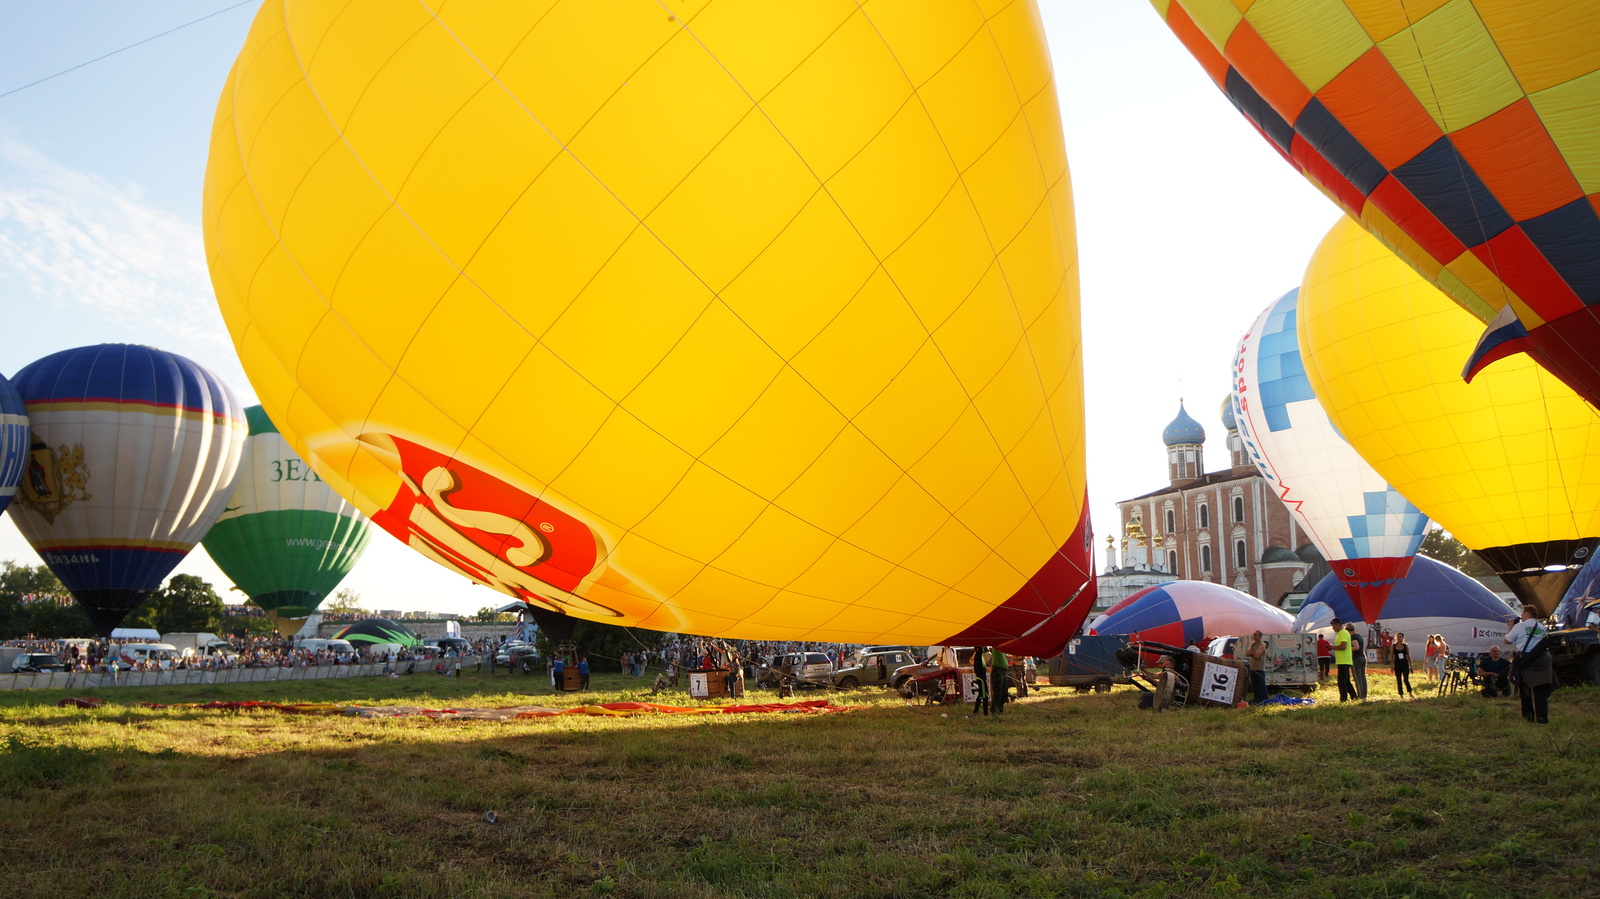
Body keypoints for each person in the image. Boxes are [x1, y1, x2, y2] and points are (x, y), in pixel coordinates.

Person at [1505, 606, 1553, 724]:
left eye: (1522, 613)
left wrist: (1510, 627)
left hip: (1526, 660)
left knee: (1525, 690)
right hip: (1542, 659)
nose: (1521, 616)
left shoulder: (1519, 626)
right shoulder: (1542, 627)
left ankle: (1528, 717)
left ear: (1527, 613)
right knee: (1540, 692)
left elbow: (1507, 640)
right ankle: (1542, 719)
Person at [1331, 618, 1356, 702]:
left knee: (1341, 682)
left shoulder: (1343, 633)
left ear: (1338, 624)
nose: (1332, 628)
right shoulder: (1340, 633)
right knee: (1346, 681)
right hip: (1343, 661)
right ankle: (1354, 697)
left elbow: (1343, 646)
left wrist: (1332, 647)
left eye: (1333, 625)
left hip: (1344, 661)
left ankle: (1343, 699)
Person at [1246, 631, 1267, 704]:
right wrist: (1253, 653)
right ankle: (1257, 700)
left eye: (1255, 635)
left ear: (1260, 636)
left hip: (1259, 668)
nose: (1254, 636)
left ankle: (1264, 700)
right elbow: (1247, 653)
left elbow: (1257, 656)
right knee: (1255, 686)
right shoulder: (1253, 644)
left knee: (1261, 685)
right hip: (1253, 669)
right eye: (1253, 634)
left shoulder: (1262, 644)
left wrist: (1252, 653)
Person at [1348, 623, 1368, 699]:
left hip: (1356, 658)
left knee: (1358, 678)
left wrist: (1348, 649)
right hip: (1363, 656)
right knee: (1363, 677)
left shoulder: (1353, 637)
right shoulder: (1359, 636)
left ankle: (1360, 696)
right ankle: (1364, 695)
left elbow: (1356, 647)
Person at [1391, 632, 1414, 698]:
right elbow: (1391, 656)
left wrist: (1411, 666)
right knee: (1399, 680)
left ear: (1403, 638)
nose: (1399, 638)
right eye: (1398, 637)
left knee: (1406, 679)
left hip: (1405, 664)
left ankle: (1410, 693)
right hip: (1397, 664)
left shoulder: (1405, 645)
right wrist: (1391, 666)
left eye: (1400, 637)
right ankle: (1401, 695)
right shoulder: (1393, 646)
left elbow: (1409, 656)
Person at [989, 646, 1010, 714]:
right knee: (998, 690)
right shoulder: (997, 647)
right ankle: (995, 708)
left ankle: (1000, 706)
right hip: (997, 670)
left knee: (1004, 690)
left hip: (1003, 671)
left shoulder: (1003, 648)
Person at [971, 647, 989, 716]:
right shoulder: (978, 655)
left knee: (981, 695)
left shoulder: (980, 656)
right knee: (985, 695)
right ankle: (986, 713)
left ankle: (975, 711)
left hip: (981, 677)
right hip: (981, 678)